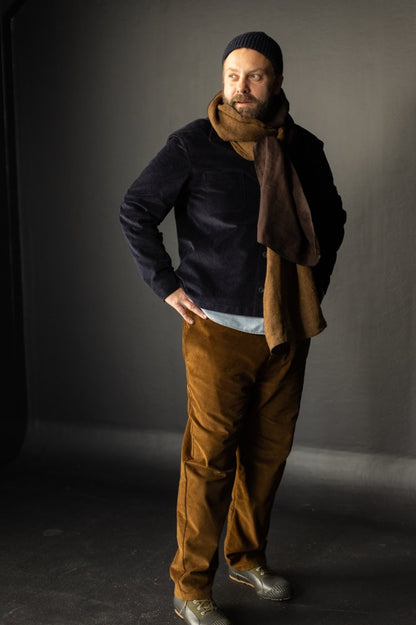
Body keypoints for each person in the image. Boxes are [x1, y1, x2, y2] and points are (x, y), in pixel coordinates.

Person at [120, 31, 346, 625]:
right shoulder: (193, 145)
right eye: (232, 75)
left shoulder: (303, 147)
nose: (241, 87)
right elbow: (136, 209)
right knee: (210, 459)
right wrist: (166, 284)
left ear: (276, 81)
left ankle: (247, 558)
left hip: (286, 330)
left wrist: (310, 289)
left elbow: (332, 219)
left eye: (255, 75)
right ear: (222, 80)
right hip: (216, 331)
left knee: (268, 454)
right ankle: (191, 585)